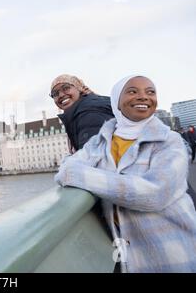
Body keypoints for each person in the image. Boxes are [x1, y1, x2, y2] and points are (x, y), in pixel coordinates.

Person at [55, 75, 196, 272]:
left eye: (150, 92)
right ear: (116, 102)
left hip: (175, 254)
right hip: (132, 258)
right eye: (132, 91)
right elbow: (66, 168)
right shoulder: (102, 141)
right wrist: (73, 170)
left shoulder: (170, 141)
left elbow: (154, 194)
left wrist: (80, 175)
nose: (143, 97)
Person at [50, 74, 114, 153]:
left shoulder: (89, 112)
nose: (61, 95)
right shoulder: (80, 111)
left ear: (78, 88)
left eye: (66, 88)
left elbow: (92, 157)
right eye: (55, 93)